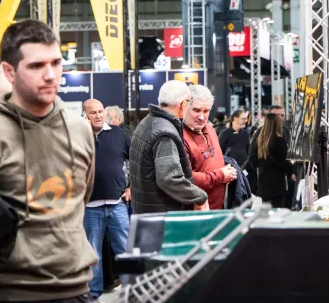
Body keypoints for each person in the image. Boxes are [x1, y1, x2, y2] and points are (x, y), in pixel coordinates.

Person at [0, 19, 97, 302]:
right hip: (11, 291)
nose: (50, 75)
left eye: (56, 63)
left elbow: (81, 198)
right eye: (37, 66)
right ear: (10, 71)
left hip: (76, 288)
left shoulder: (80, 129)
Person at [129, 80, 209, 213]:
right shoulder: (165, 133)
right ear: (183, 104)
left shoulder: (146, 123)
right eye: (189, 103)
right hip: (162, 214)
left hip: (147, 211)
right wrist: (200, 196)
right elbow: (169, 179)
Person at [82, 98, 131, 301]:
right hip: (89, 207)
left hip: (117, 204)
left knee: (125, 250)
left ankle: (132, 291)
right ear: (85, 115)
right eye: (93, 112)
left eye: (101, 111)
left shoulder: (118, 134)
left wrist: (131, 186)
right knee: (93, 254)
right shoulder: (79, 136)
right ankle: (93, 295)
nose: (98, 115)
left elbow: (134, 160)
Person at [183, 85, 237, 210]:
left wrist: (227, 171)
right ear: (185, 107)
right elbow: (185, 178)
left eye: (206, 111)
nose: (202, 117)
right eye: (196, 110)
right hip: (197, 212)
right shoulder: (179, 136)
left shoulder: (210, 128)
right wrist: (221, 175)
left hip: (219, 208)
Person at [245, 113, 292, 208]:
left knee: (266, 212)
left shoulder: (260, 141)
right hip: (277, 184)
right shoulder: (279, 141)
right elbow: (281, 162)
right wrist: (291, 166)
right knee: (277, 211)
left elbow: (253, 159)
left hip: (263, 184)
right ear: (277, 124)